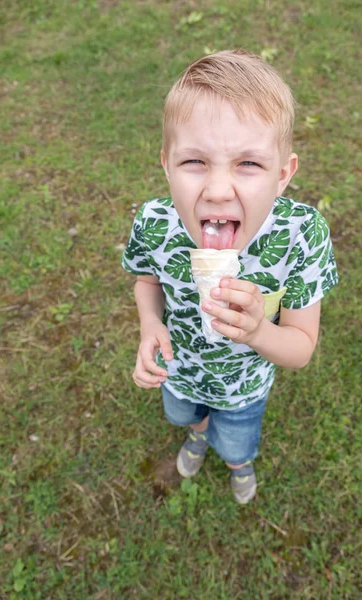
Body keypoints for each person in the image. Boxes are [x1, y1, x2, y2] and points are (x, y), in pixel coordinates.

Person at [122, 50, 338, 504]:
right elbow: (147, 279)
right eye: (194, 162)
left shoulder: (301, 235)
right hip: (178, 373)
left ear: (282, 175)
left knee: (237, 441)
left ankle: (239, 464)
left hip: (244, 387)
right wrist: (149, 322)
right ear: (166, 164)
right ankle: (199, 435)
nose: (218, 190)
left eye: (249, 164)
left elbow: (300, 347)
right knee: (187, 417)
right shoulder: (155, 222)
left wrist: (259, 330)